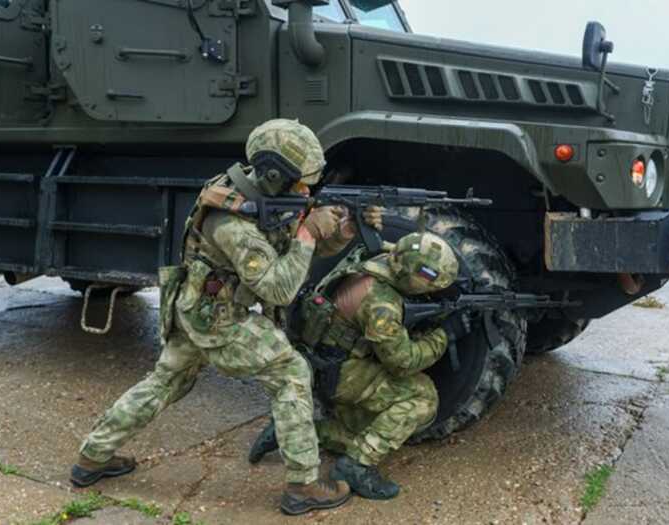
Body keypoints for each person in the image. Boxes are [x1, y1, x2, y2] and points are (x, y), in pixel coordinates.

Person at [71, 119, 380, 515]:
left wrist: (341, 231)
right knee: (291, 374)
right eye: (301, 182)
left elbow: (288, 253)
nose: (307, 191)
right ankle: (303, 485)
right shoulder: (231, 222)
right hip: (217, 319)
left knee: (167, 381)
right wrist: (308, 235)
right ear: (274, 175)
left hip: (197, 308)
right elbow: (279, 287)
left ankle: (93, 456)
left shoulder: (250, 192)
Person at [249, 232, 470, 500]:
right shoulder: (381, 304)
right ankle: (355, 465)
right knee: (422, 397)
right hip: (339, 374)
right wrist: (445, 335)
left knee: (365, 426)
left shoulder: (381, 259)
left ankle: (295, 431)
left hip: (319, 363)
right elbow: (404, 362)